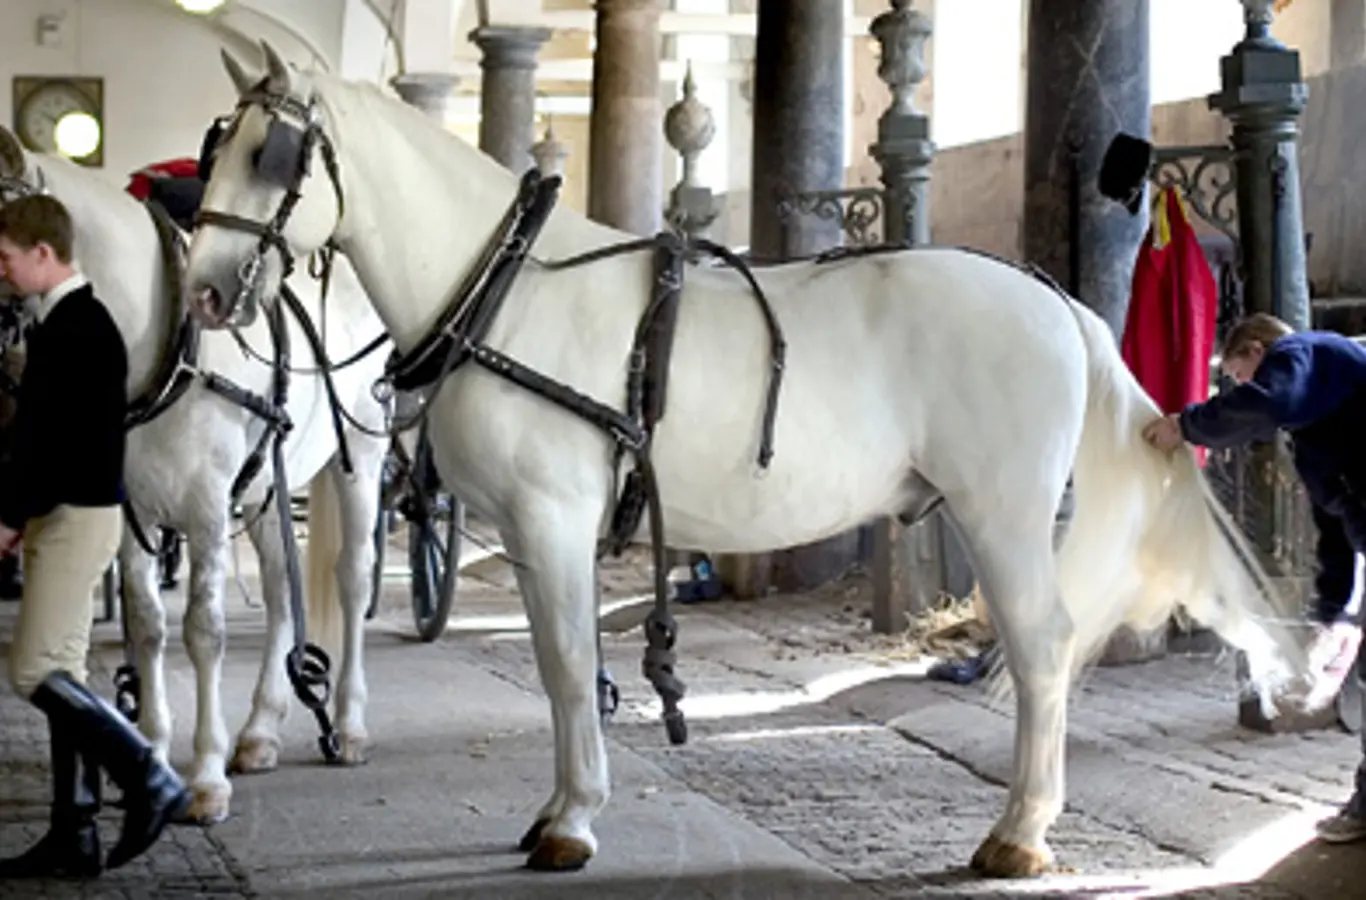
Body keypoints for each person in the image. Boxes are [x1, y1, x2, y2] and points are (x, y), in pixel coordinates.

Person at [0, 193, 188, 878]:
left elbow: (56, 449)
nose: (3, 271)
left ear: (44, 254)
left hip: (73, 516)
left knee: (32, 671)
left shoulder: (78, 328)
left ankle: (149, 776)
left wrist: (10, 516)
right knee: (64, 672)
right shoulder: (69, 324)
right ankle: (73, 833)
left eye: (8, 258)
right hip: (71, 513)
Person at [1142, 312, 1366, 844]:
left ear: (1259, 348)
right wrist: (1331, 613)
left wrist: (1186, 425)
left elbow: (1270, 402)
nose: (1242, 388)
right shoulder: (1317, 431)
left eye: (1241, 373)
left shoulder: (1303, 353)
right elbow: (1332, 525)